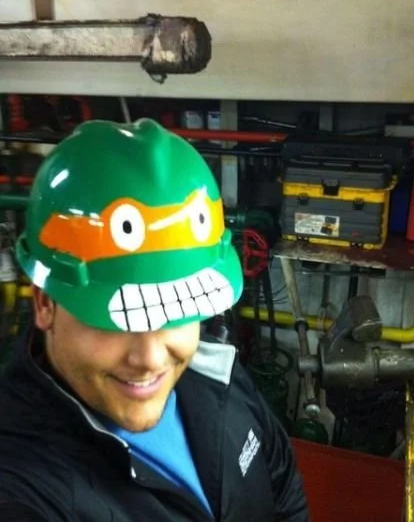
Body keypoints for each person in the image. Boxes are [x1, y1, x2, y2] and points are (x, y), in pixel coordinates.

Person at [0, 118, 309, 521]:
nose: (150, 358)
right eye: (115, 321)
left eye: (176, 311)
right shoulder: (20, 485)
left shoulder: (213, 370)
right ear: (45, 303)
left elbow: (282, 484)